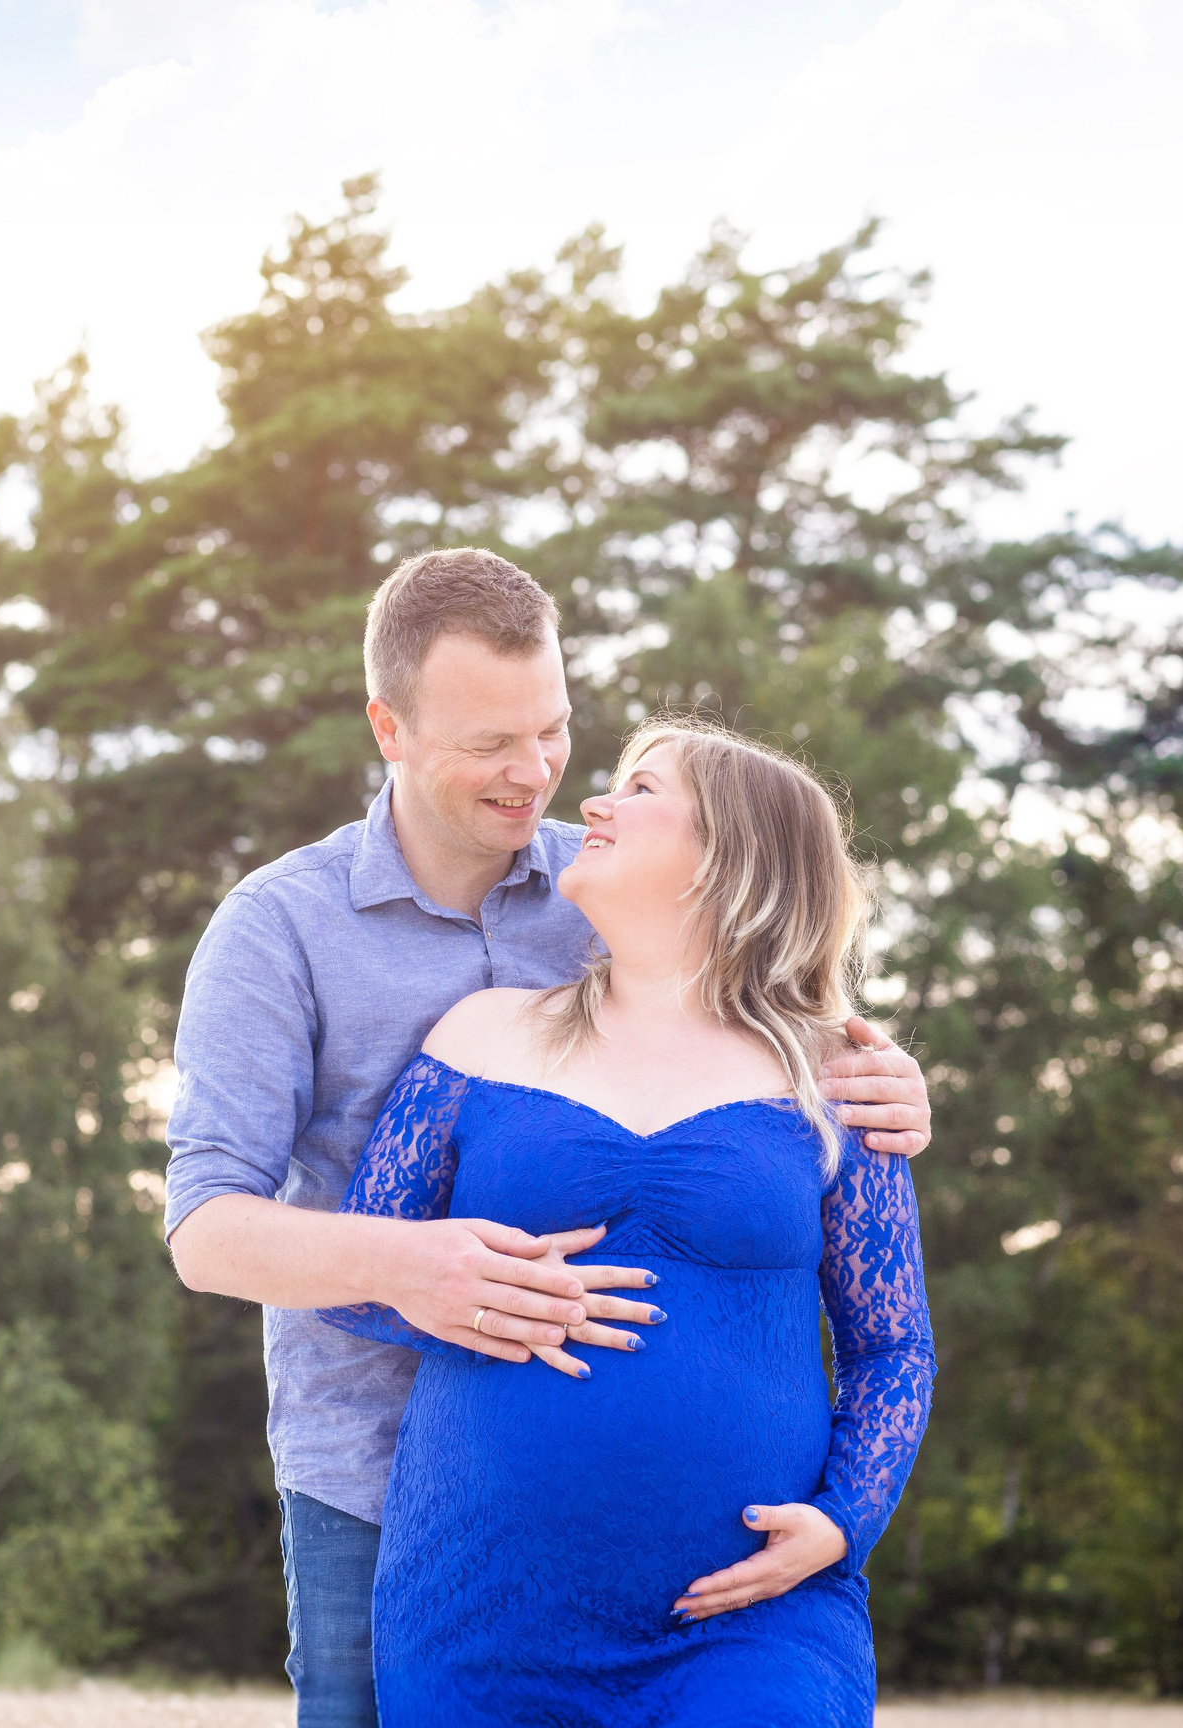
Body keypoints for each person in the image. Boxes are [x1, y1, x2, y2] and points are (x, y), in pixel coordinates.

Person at [162, 549, 935, 1726]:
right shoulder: (280, 929)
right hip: (386, 1490)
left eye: (555, 730)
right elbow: (205, 1231)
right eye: (488, 745)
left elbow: (788, 1021)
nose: (540, 777)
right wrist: (400, 1265)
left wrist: (888, 1086)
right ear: (391, 727)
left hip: (715, 1567)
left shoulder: (613, 878)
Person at [321, 716, 934, 1725]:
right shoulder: (480, 1037)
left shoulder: (839, 1076)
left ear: (730, 857)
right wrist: (472, 1297)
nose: (592, 805)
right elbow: (355, 1272)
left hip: (753, 1617)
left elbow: (893, 1348)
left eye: (640, 788)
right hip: (480, 1608)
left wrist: (843, 1523)